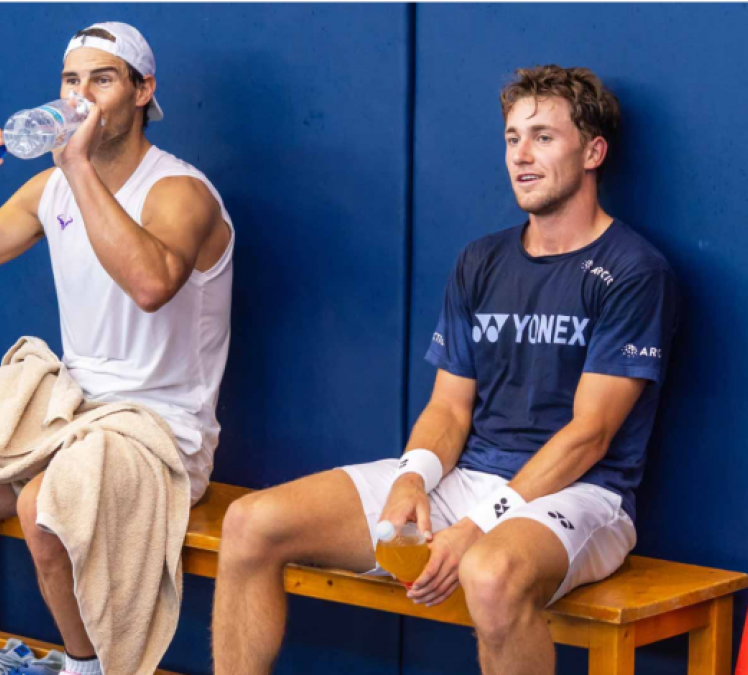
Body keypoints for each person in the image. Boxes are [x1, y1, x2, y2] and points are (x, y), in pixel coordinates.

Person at [211, 65, 679, 675]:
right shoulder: (481, 259)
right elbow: (449, 408)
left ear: (593, 151)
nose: (521, 156)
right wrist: (411, 479)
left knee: (488, 573)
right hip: (469, 477)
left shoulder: (635, 270)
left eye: (543, 136)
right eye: (512, 138)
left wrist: (479, 527)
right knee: (251, 523)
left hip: (582, 494)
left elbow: (590, 435)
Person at [0, 21, 233, 675]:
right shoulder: (52, 188)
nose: (81, 96)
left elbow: (149, 285)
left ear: (144, 91)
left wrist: (77, 166)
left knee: (45, 505)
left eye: (103, 79)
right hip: (68, 419)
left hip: (161, 436)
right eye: (71, 80)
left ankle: (88, 670)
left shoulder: (180, 192)